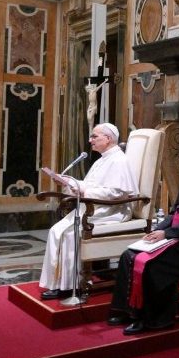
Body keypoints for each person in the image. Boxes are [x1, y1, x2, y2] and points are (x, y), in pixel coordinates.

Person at [108, 142, 179, 335]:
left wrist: (166, 234)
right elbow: (174, 213)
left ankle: (151, 319)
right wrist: (157, 231)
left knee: (151, 265)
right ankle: (128, 310)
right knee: (128, 255)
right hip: (175, 236)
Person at [38, 123, 138, 300]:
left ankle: (70, 286)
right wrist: (70, 182)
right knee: (55, 230)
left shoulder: (119, 160)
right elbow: (91, 185)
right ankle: (57, 283)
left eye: (94, 136)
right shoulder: (102, 160)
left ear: (108, 139)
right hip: (97, 207)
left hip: (112, 209)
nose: (90, 140)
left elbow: (117, 193)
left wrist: (84, 190)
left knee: (70, 234)